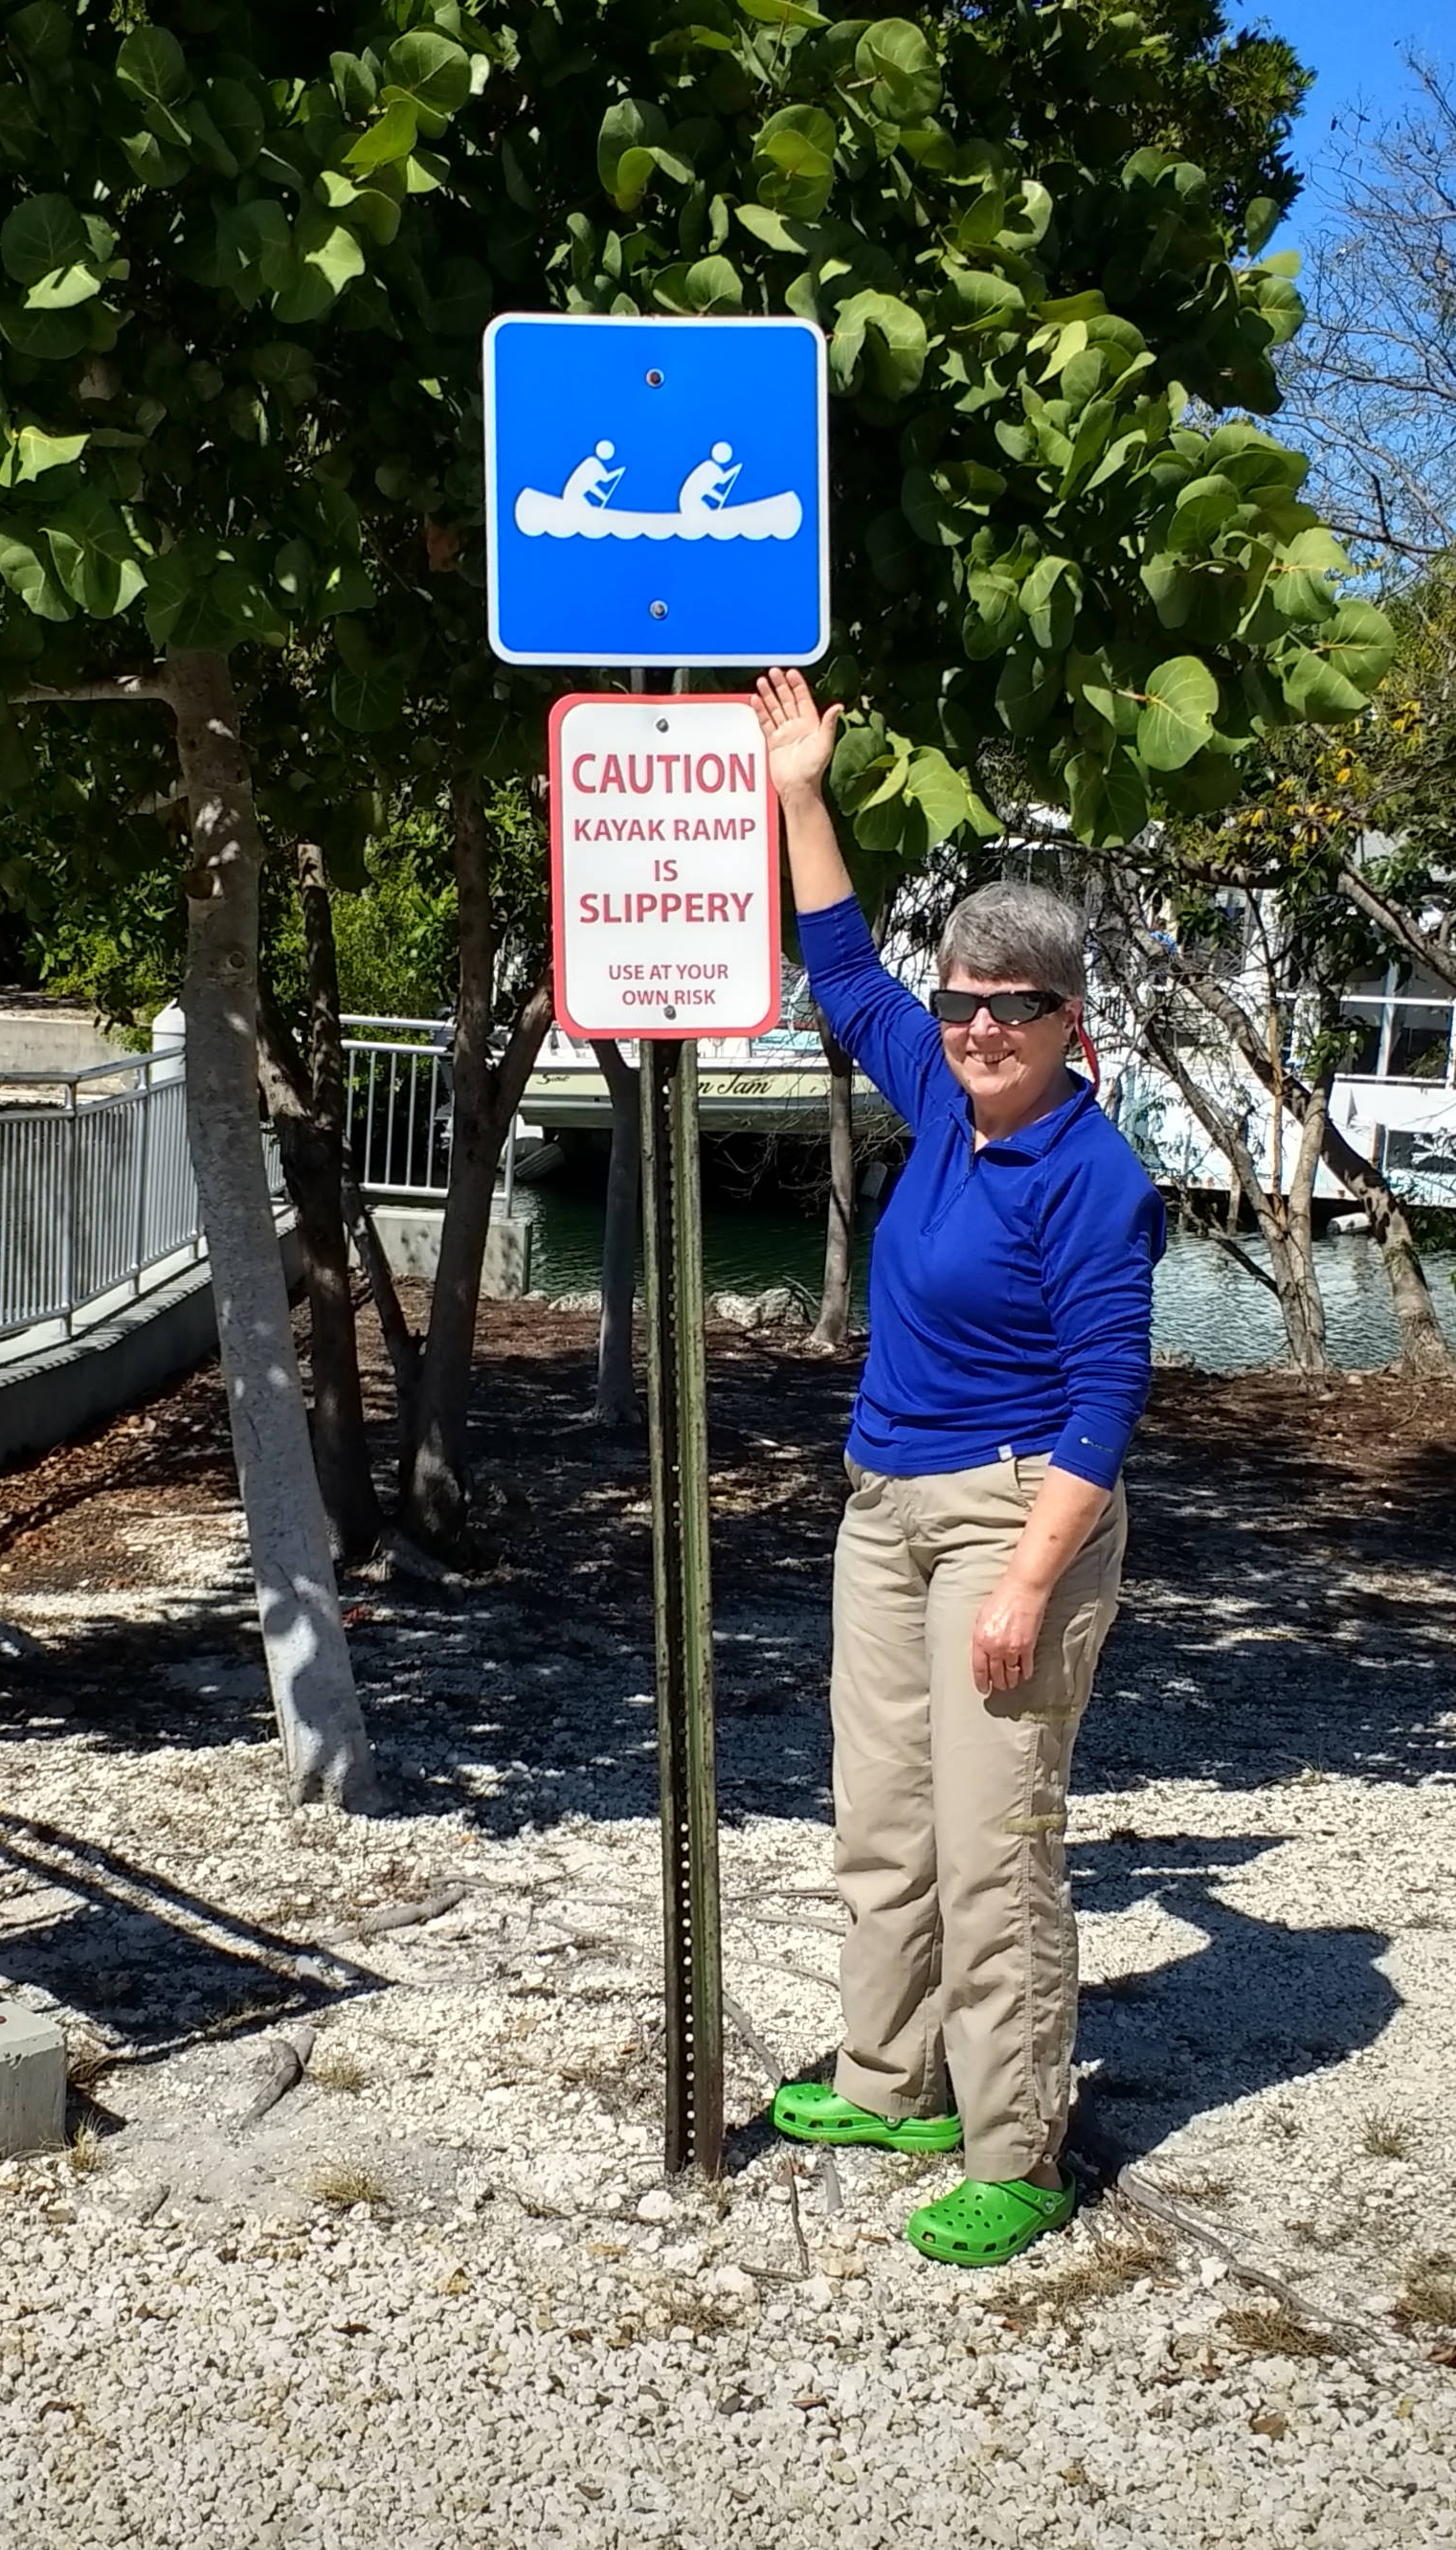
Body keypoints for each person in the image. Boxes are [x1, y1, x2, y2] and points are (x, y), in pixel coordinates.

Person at [751, 666, 1166, 2268]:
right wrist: (801, 792)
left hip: (1015, 1511)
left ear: (1071, 1025)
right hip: (882, 1501)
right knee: (884, 1818)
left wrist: (1027, 1579)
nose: (977, 1028)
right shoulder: (939, 1098)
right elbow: (842, 971)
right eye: (963, 1002)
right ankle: (891, 2078)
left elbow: (1103, 1398)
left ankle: (1017, 2145)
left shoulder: (1090, 1175)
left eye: (1013, 1007)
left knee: (995, 1847)